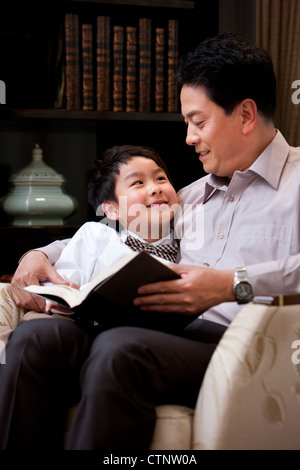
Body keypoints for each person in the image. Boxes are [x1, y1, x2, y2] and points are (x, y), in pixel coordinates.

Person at [1, 31, 300, 450]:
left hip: (243, 346)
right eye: (186, 124)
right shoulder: (190, 196)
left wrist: (231, 283)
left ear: (246, 115)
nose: (189, 138)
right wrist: (35, 254)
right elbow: (105, 235)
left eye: (198, 122)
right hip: (162, 333)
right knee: (36, 339)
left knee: (120, 349)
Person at [0, 144, 180, 337]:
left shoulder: (193, 248)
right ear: (111, 210)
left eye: (160, 178)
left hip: (149, 339)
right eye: (138, 183)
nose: (156, 189)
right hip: (80, 330)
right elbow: (60, 288)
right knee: (41, 328)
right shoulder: (97, 237)